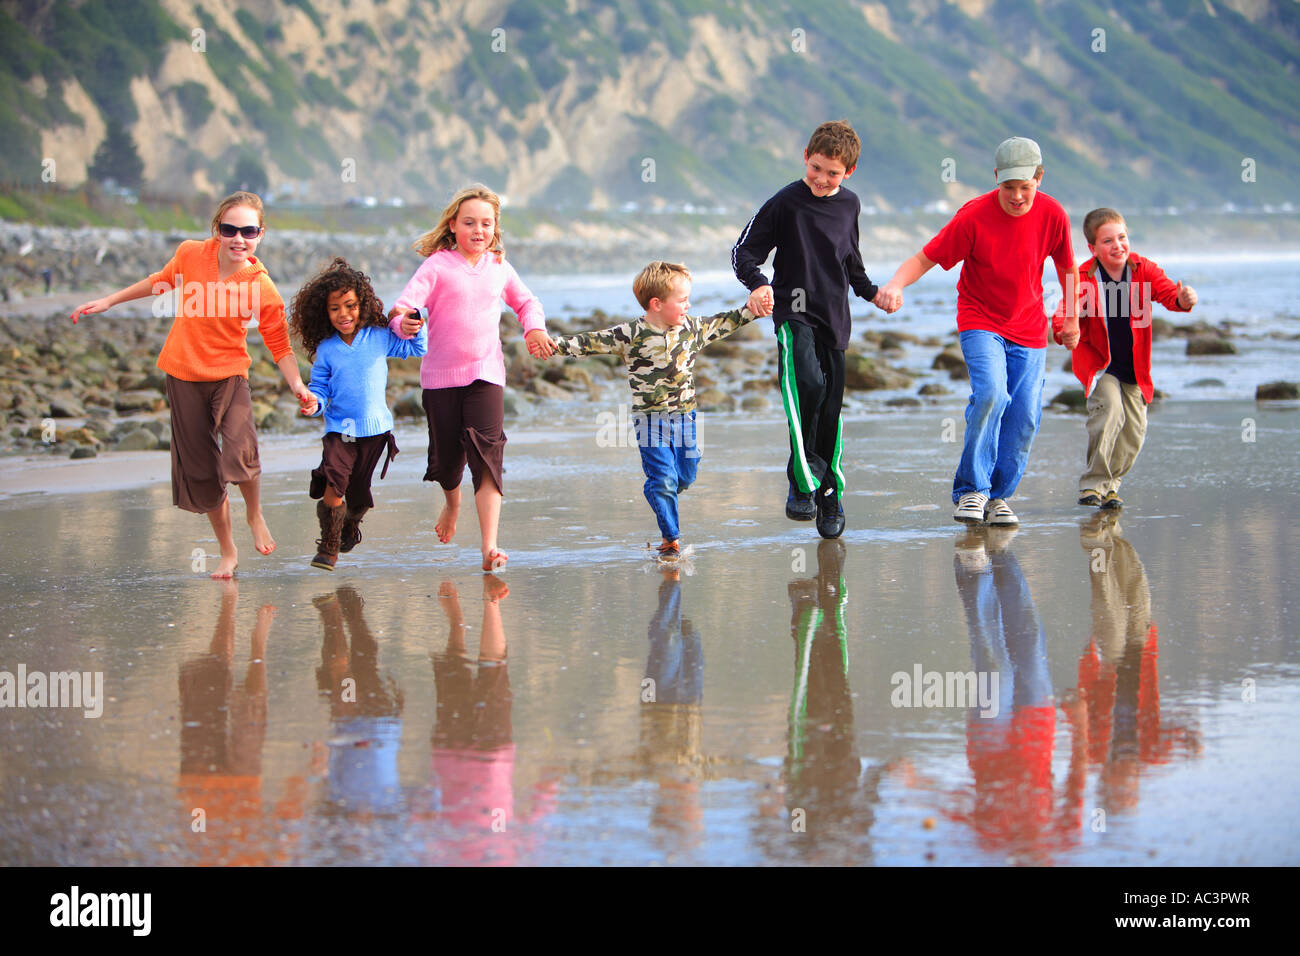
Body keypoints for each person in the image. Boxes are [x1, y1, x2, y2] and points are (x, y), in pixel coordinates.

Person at [70, 191, 312, 578]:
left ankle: (254, 514)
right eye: (230, 229)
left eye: (248, 231)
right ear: (218, 229)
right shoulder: (190, 254)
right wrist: (109, 301)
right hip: (183, 375)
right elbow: (159, 281)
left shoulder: (260, 286)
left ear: (260, 234)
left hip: (230, 376)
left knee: (240, 450)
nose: (238, 238)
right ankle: (228, 551)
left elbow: (278, 343)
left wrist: (298, 385)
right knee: (202, 471)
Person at [877, 137, 1080, 526]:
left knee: (1025, 416)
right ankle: (972, 490)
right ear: (996, 179)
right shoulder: (974, 216)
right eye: (1009, 187)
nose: (1017, 196)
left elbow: (1068, 269)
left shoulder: (1053, 214)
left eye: (1026, 186)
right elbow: (927, 256)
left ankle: (999, 497)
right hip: (981, 320)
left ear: (1039, 178)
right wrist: (896, 285)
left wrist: (1070, 316)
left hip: (1030, 327)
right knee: (990, 394)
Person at [732, 119, 894, 538]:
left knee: (831, 407)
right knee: (806, 385)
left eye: (832, 173)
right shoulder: (786, 202)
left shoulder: (850, 205)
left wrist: (872, 292)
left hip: (834, 315)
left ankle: (828, 495)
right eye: (816, 168)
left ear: (849, 173)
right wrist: (759, 285)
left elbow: (850, 259)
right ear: (806, 158)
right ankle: (802, 482)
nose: (822, 179)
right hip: (794, 311)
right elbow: (743, 251)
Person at [539, 261, 754, 556]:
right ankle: (670, 539)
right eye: (682, 301)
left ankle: (658, 489)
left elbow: (725, 322)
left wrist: (752, 308)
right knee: (664, 479)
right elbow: (592, 341)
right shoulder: (632, 334)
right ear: (656, 304)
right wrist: (555, 345)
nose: (688, 306)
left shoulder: (692, 329)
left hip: (686, 417)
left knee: (686, 476)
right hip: (650, 421)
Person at [388, 184, 551, 571]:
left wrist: (534, 329)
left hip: (486, 374)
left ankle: (489, 546)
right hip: (441, 379)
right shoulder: (438, 265)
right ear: (453, 225)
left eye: (487, 223)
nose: (479, 230)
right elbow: (403, 305)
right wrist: (403, 324)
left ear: (495, 228)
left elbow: (527, 301)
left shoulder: (498, 266)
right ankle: (451, 502)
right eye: (470, 222)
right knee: (448, 463)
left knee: (487, 456)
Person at [1052, 208, 1196, 510]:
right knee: (1110, 412)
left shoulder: (1143, 269)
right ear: (1092, 248)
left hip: (1135, 368)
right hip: (1100, 364)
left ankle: (1111, 486)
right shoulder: (1082, 278)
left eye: (1122, 237)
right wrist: (1066, 329)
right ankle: (1092, 486)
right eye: (1107, 241)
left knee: (1134, 431)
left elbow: (1170, 294)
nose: (1117, 245)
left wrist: (1182, 300)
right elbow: (1065, 312)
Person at [292, 257, 427, 570]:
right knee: (334, 480)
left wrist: (415, 325)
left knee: (359, 493)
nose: (344, 314)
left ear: (362, 305)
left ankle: (349, 524)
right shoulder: (327, 349)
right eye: (335, 308)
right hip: (341, 429)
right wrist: (314, 403)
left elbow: (414, 349)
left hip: (376, 430)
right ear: (324, 313)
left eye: (350, 306)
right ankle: (328, 547)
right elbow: (321, 389)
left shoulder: (378, 338)